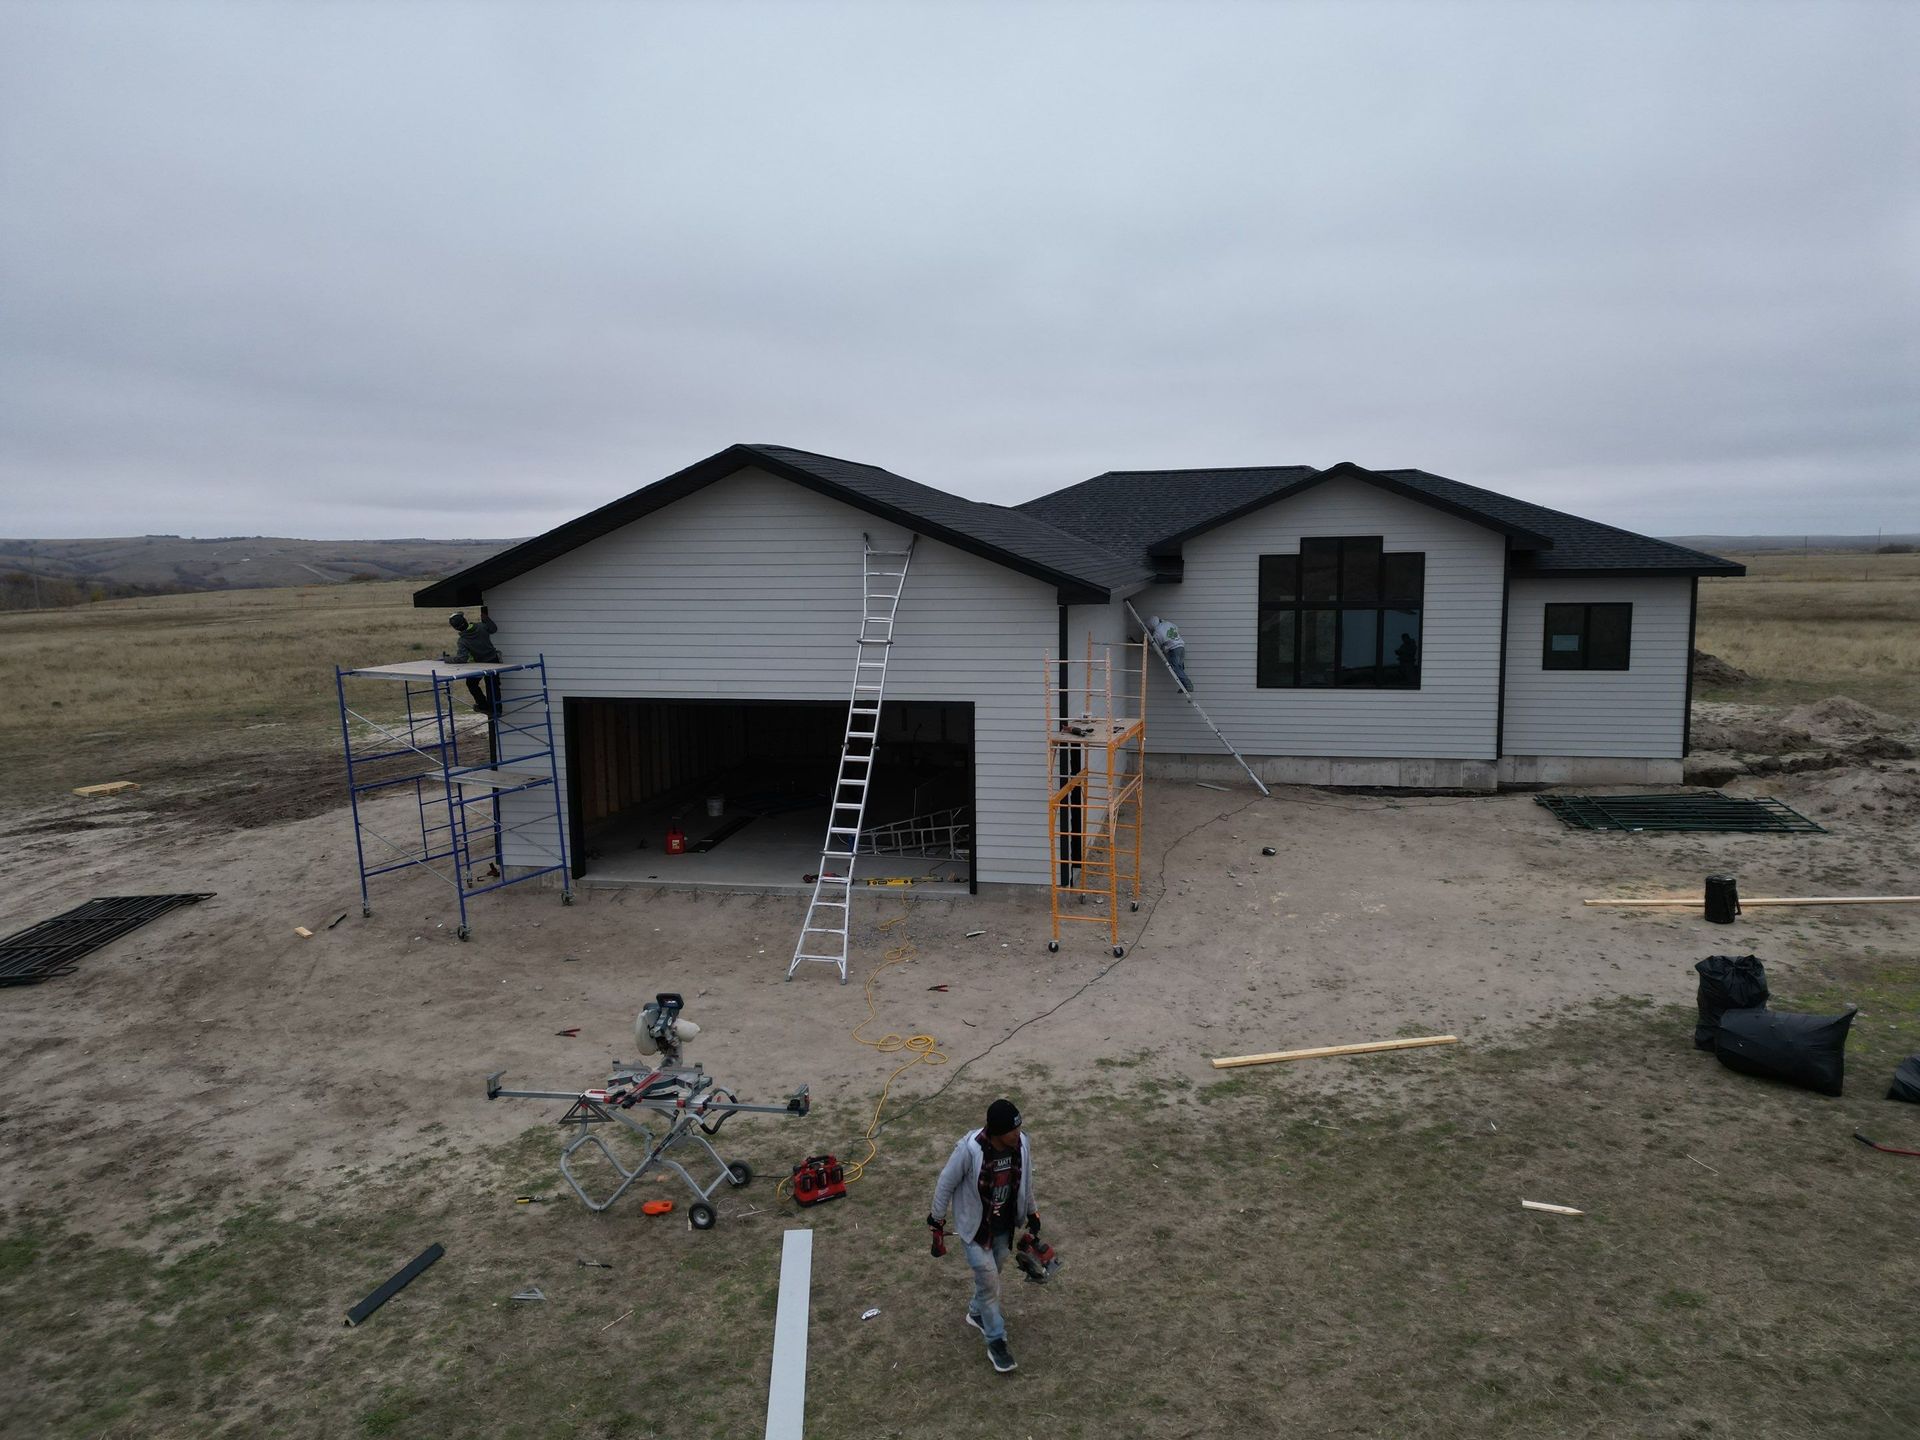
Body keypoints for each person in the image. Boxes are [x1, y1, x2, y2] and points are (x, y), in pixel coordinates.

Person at [928, 1098, 1039, 1375]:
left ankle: (976, 1311)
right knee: (989, 1280)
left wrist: (1033, 1213)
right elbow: (946, 1182)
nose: (1018, 1133)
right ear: (998, 1131)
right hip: (976, 1230)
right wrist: (936, 1220)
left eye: (1019, 1127)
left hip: (1003, 1227)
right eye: (1013, 1130)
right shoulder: (970, 1150)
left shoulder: (1022, 1144)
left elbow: (1026, 1181)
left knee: (997, 1266)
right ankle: (996, 1341)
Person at [442, 607, 501, 713]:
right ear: (465, 620)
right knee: (493, 685)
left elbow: (462, 658)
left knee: (471, 684)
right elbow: (493, 629)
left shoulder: (463, 641)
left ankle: (483, 706)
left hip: (480, 665)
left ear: (456, 628)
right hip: (493, 660)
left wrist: (447, 659)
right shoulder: (481, 626)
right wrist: (487, 619)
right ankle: (497, 709)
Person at [1146, 614, 1194, 693]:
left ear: (1151, 625)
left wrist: (1149, 647)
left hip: (1174, 649)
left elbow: (1157, 647)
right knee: (1179, 668)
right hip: (1181, 646)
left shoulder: (1157, 632)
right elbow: (1176, 628)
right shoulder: (1167, 623)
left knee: (1176, 668)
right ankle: (1184, 686)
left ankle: (1188, 685)